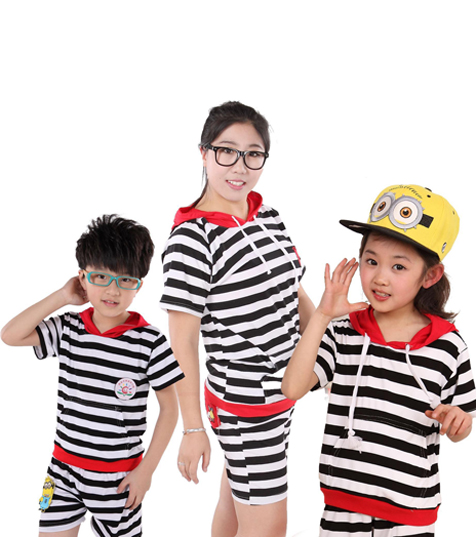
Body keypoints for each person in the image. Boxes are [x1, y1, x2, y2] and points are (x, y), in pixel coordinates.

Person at [282, 184, 476, 536]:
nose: (380, 277)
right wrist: (323, 315)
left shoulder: (448, 345)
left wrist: (459, 423)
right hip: (342, 506)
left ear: (430, 275)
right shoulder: (345, 331)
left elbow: (461, 425)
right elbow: (292, 388)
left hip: (411, 513)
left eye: (399, 266)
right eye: (371, 261)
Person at [160, 101, 315, 537]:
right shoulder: (193, 239)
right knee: (268, 527)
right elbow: (182, 342)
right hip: (245, 407)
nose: (240, 166)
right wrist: (192, 427)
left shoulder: (267, 215)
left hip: (281, 395)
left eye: (253, 154)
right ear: (204, 153)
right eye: (227, 151)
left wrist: (325, 352)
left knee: (235, 501)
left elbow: (295, 292)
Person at [1, 214, 184, 537]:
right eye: (101, 277)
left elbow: (170, 409)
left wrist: (146, 471)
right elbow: (10, 335)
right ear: (82, 278)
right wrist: (62, 297)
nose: (113, 290)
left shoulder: (149, 341)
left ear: (139, 285)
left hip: (119, 479)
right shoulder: (68, 329)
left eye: (126, 280)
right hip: (62, 472)